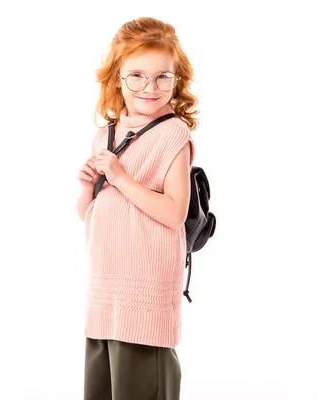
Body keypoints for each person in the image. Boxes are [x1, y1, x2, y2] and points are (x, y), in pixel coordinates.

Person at [76, 17, 198, 400]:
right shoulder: (105, 135)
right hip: (105, 286)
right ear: (117, 78)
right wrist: (87, 188)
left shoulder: (173, 133)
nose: (150, 87)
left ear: (176, 80)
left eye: (163, 77)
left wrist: (121, 176)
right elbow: (91, 214)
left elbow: (176, 212)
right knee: (102, 386)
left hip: (144, 287)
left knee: (143, 380)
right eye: (137, 76)